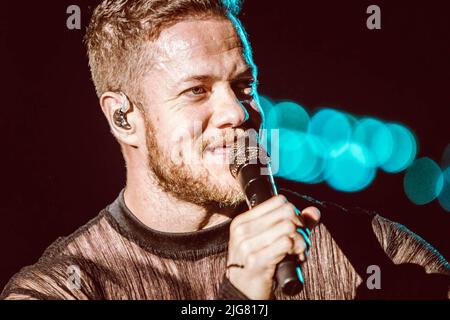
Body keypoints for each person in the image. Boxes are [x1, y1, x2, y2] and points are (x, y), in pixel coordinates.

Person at [1, 0, 449, 300]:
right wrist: (240, 298)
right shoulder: (61, 289)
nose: (236, 112)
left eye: (244, 86)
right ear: (124, 118)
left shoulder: (372, 250)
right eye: (196, 90)